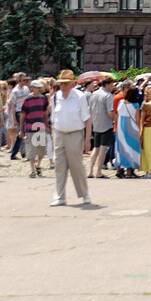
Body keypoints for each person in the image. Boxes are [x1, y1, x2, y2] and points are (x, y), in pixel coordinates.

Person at [49, 69, 93, 204]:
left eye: (66, 83)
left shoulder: (79, 97)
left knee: (76, 166)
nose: (63, 86)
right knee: (59, 166)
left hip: (75, 134)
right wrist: (53, 136)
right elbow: (53, 118)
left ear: (72, 84)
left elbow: (87, 119)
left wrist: (87, 140)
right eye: (61, 84)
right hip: (59, 133)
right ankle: (60, 196)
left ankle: (84, 194)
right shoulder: (55, 97)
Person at [115, 85, 142, 178]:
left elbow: (118, 115)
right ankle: (130, 171)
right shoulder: (136, 105)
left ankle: (119, 169)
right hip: (132, 127)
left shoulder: (120, 102)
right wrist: (140, 130)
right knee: (132, 149)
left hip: (121, 128)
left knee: (121, 148)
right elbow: (137, 119)